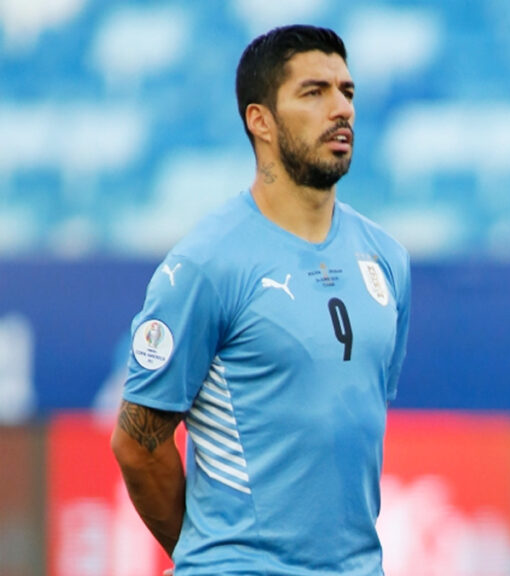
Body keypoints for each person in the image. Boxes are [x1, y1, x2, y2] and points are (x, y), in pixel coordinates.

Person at [110, 25, 411, 576]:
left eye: (346, 91)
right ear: (260, 120)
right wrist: (213, 557)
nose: (341, 108)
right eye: (314, 92)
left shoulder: (387, 259)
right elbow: (137, 443)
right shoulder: (207, 263)